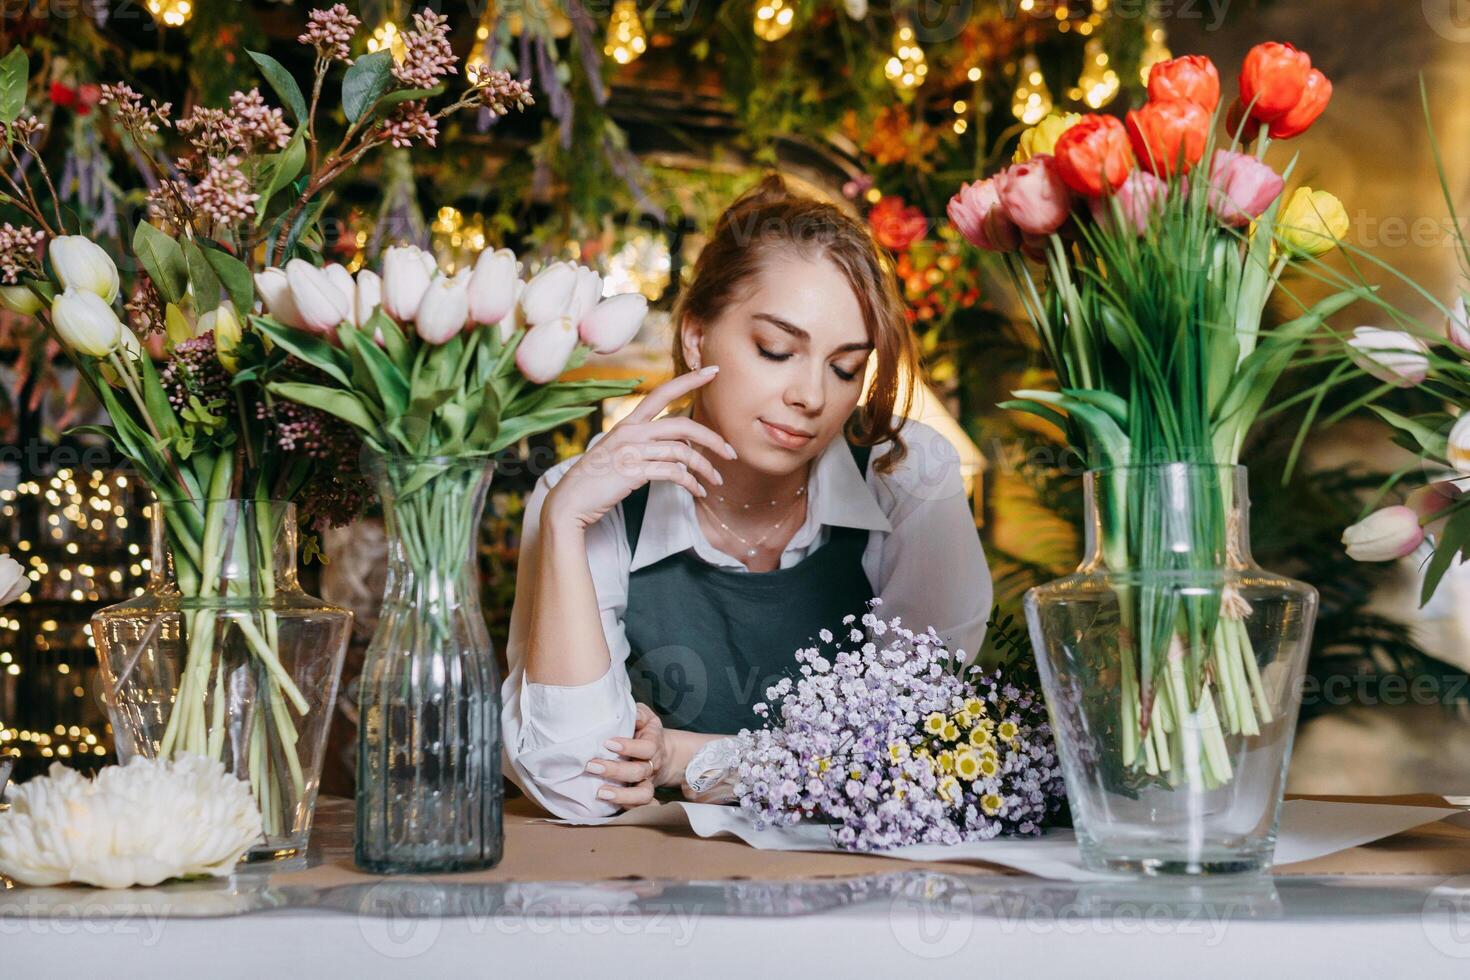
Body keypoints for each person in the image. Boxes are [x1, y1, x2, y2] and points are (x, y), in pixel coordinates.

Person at [502, 175, 993, 818]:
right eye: (776, 350)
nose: (812, 396)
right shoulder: (584, 503)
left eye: (845, 367)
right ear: (696, 336)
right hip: (650, 898)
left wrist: (687, 757)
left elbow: (918, 750)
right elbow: (578, 785)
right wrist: (565, 519)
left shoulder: (906, 476)